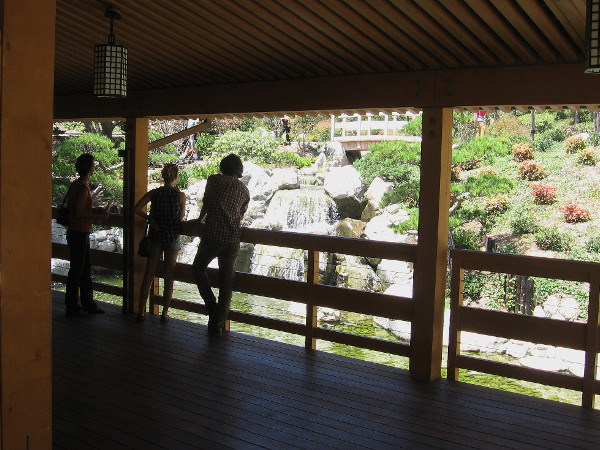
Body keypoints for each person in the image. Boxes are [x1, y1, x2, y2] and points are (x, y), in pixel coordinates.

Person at [192, 154, 250, 336]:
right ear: (237, 169)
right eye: (241, 165)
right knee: (226, 283)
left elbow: (207, 203)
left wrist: (199, 220)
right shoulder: (244, 189)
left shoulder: (214, 180)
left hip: (212, 235)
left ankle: (211, 305)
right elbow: (240, 214)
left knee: (198, 268)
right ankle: (217, 324)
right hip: (232, 238)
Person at [134, 164, 186, 323]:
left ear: (163, 176)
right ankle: (164, 313)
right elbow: (181, 217)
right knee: (169, 276)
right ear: (176, 177)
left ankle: (141, 312)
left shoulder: (154, 193)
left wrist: (150, 219)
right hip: (172, 237)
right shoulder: (180, 196)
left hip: (156, 236)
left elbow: (136, 208)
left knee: (149, 275)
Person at [65, 153, 109, 317]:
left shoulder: (76, 184)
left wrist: (93, 210)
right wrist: (97, 216)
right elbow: (78, 212)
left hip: (75, 231)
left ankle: (84, 304)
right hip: (79, 231)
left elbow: (79, 209)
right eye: (93, 165)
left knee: (81, 269)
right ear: (89, 168)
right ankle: (75, 306)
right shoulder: (83, 187)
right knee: (78, 271)